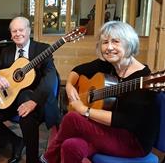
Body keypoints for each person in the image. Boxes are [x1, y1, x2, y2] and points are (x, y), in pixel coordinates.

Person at [40, 21, 160, 163]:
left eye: (115, 42)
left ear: (129, 44)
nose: (109, 47)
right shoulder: (108, 64)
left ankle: (47, 158)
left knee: (72, 118)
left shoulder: (143, 79)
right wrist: (70, 86)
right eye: (105, 42)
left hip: (133, 141)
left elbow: (126, 120)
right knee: (70, 146)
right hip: (107, 129)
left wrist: (85, 110)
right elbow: (78, 70)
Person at [0, 16, 58, 163]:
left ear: (29, 31)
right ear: (10, 34)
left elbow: (51, 78)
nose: (17, 33)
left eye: (21, 30)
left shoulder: (42, 49)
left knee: (26, 112)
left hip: (34, 100)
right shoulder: (6, 52)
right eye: (14, 31)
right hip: (10, 99)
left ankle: (32, 159)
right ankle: (15, 142)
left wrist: (34, 101)